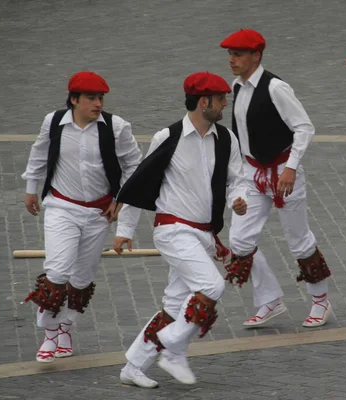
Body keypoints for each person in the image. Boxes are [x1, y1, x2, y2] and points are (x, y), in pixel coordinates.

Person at [114, 72, 248, 387]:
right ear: (204, 102)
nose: (225, 104)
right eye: (221, 99)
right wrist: (125, 229)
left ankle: (133, 367)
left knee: (176, 304)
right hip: (172, 230)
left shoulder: (226, 139)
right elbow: (139, 184)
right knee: (212, 286)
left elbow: (238, 179)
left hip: (204, 234)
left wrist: (238, 199)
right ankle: (173, 349)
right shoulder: (168, 138)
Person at [21, 71, 142, 362]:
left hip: (99, 213)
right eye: (91, 98)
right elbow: (39, 154)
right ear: (74, 100)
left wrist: (120, 202)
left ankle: (66, 328)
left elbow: (135, 169)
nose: (98, 103)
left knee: (82, 278)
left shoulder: (117, 127)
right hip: (61, 208)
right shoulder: (53, 122)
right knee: (58, 271)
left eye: (100, 98)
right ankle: (49, 334)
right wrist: (31, 188)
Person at [219, 29, 332, 328]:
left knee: (298, 240)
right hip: (253, 174)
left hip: (284, 173)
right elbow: (241, 135)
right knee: (240, 240)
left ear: (256, 55)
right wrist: (239, 176)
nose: (231, 59)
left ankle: (321, 301)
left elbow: (304, 128)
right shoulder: (237, 86)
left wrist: (292, 168)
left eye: (238, 54)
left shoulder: (276, 88)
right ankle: (270, 300)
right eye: (230, 54)